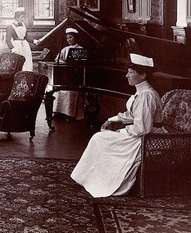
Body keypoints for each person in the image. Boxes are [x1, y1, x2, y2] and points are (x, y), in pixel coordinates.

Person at [70, 53, 165, 197]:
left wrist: (123, 130)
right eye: (128, 71)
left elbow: (143, 129)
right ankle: (92, 178)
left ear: (143, 75)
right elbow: (132, 115)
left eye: (131, 72)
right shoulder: (142, 92)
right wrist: (112, 119)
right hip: (141, 133)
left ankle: (102, 182)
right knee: (101, 137)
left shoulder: (146, 96)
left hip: (149, 138)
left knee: (100, 138)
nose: (127, 75)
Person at [52, 27, 85, 120]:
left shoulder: (80, 49)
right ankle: (58, 112)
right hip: (65, 76)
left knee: (70, 93)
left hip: (74, 77)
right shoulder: (65, 49)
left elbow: (79, 62)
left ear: (75, 38)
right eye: (67, 38)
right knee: (59, 91)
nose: (69, 40)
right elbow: (57, 60)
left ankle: (69, 114)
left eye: (71, 37)